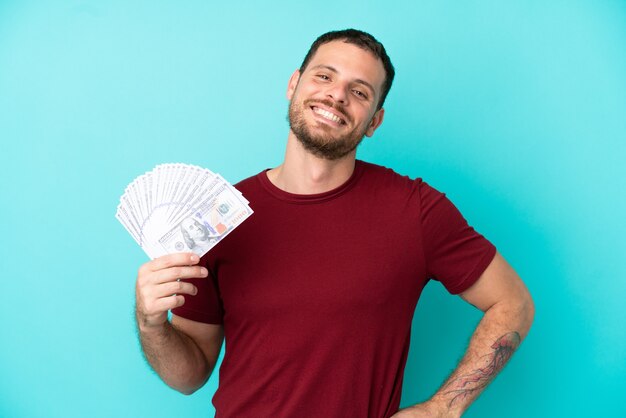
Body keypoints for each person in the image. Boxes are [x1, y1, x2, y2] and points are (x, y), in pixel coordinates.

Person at [134, 29, 535, 418]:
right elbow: (189, 376)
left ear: (374, 121)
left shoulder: (414, 209)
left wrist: (445, 408)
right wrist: (151, 325)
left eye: (359, 91)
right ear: (294, 84)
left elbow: (513, 302)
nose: (336, 95)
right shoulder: (218, 217)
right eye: (324, 76)